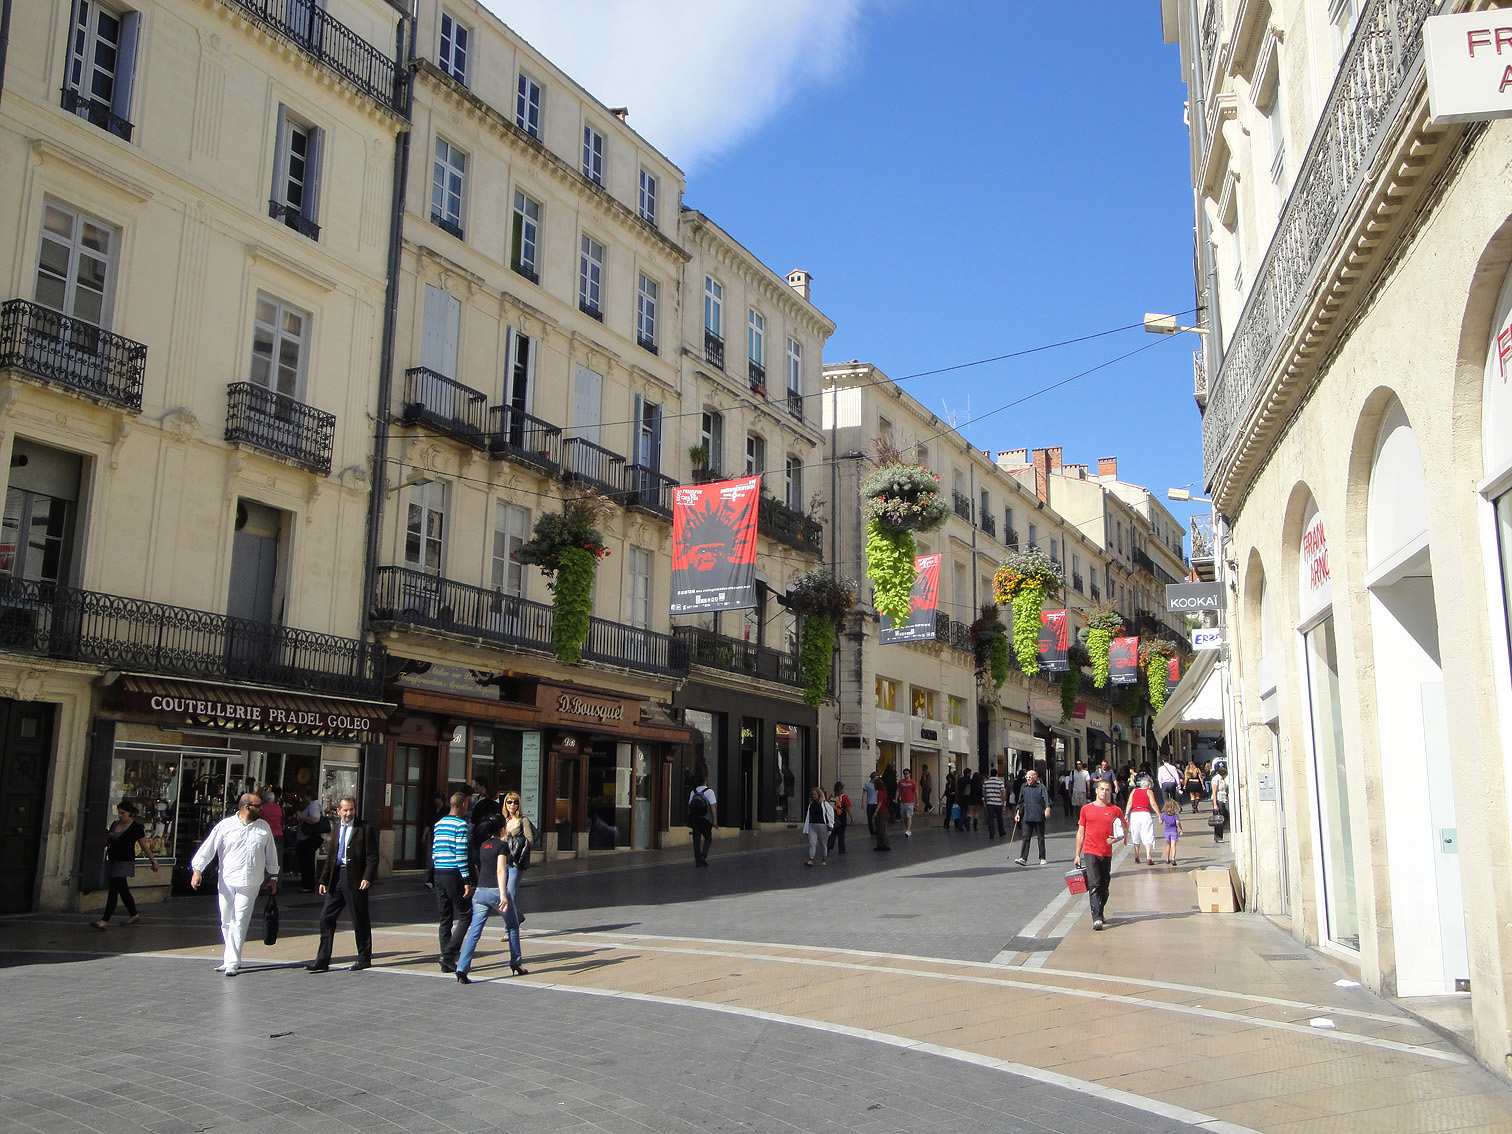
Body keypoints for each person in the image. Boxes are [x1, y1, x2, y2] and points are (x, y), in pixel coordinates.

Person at [190, 793, 279, 975]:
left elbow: (271, 853)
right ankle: (228, 957)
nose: (261, 809)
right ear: (247, 807)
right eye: (258, 805)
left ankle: (233, 961)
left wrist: (274, 877)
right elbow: (208, 848)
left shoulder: (264, 827)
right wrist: (197, 870)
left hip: (251, 881)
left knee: (240, 920)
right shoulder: (226, 826)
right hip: (227, 880)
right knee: (226, 920)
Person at [306, 796, 380, 972]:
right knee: (326, 917)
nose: (349, 813)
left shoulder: (364, 828)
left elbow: (372, 856)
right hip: (338, 876)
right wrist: (324, 879)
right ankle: (323, 959)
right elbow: (332, 856)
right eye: (345, 810)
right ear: (338, 811)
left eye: (351, 809)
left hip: (355, 876)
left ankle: (364, 957)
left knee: (359, 918)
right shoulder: (337, 827)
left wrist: (367, 877)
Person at [455, 816, 526, 982]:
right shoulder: (502, 846)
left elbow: (484, 867)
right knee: (513, 926)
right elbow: (500, 871)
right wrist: (503, 894)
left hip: (480, 892)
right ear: (502, 828)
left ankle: (462, 968)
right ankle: (516, 963)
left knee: (474, 931)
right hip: (496, 891)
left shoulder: (484, 845)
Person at [92, 801, 160, 929]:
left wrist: (154, 862)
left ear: (130, 813)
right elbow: (105, 844)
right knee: (122, 890)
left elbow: (144, 846)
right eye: (119, 813)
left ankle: (104, 920)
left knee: (114, 889)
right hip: (112, 859)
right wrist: (108, 836)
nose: (120, 815)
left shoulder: (136, 828)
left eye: (123, 813)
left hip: (125, 861)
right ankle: (133, 914)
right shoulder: (114, 825)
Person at [1073, 779, 1127, 931]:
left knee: (1104, 886)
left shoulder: (1115, 810)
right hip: (1090, 851)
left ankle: (1100, 911)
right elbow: (1081, 832)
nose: (1104, 792)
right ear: (1096, 791)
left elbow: (1122, 830)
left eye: (1107, 790)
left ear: (1111, 792)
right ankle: (1096, 918)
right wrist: (1077, 854)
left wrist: (1116, 838)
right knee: (1095, 884)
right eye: (1102, 789)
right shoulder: (1086, 809)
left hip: (1106, 852)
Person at [430, 791, 473, 973]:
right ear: (463, 805)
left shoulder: (439, 824)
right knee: (466, 914)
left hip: (439, 871)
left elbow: (434, 851)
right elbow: (461, 854)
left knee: (444, 917)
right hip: (453, 872)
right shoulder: (461, 825)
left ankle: (445, 958)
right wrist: (466, 879)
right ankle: (449, 954)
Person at [500, 792, 535, 924]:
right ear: (505, 804)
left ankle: (508, 928)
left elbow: (529, 840)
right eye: (509, 802)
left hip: (515, 860)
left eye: (515, 802)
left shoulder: (522, 820)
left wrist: (511, 840)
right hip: (503, 860)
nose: (512, 805)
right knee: (501, 893)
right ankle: (517, 916)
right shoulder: (502, 819)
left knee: (510, 894)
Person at [1013, 769, 1052, 866]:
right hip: (1027, 816)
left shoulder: (1041, 787)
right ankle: (1023, 858)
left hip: (1038, 815)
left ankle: (1042, 857)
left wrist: (1047, 808)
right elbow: (1020, 801)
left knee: (1040, 837)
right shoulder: (1024, 787)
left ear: (1035, 777)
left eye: (1030, 777)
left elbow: (1046, 799)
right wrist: (1017, 813)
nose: (1028, 779)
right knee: (1025, 837)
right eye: (1026, 777)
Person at [294, 792, 326, 892]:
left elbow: (315, 819)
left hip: (309, 837)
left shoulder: (313, 805)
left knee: (307, 860)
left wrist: (302, 816)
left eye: (305, 796)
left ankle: (308, 885)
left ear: (308, 796)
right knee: (306, 860)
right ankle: (307, 884)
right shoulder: (312, 805)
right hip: (308, 837)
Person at [1127, 775, 1159, 865]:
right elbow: (1153, 804)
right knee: (1147, 834)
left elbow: (1129, 803)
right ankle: (1148, 857)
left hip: (1134, 814)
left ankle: (1136, 856)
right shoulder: (1149, 792)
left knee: (1135, 834)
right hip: (1145, 814)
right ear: (1149, 785)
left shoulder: (1134, 791)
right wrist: (1159, 815)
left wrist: (1126, 814)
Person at [688, 774, 716, 866]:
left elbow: (689, 806)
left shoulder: (693, 792)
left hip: (695, 819)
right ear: (706, 781)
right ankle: (703, 855)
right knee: (708, 838)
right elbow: (712, 806)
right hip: (705, 818)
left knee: (696, 840)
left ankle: (697, 861)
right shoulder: (709, 791)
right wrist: (714, 820)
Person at [801, 787, 833, 866]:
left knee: (823, 843)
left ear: (819, 794)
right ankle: (811, 859)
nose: (814, 796)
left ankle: (824, 859)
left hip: (822, 826)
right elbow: (808, 818)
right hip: (813, 825)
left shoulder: (825, 804)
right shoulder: (811, 805)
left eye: (815, 794)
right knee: (812, 843)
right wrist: (806, 829)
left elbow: (830, 814)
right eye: (812, 794)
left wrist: (830, 824)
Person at [982, 767, 1007, 839]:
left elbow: (984, 792)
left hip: (990, 803)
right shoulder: (1000, 782)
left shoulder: (986, 782)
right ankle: (1001, 832)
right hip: (998, 803)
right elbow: (1002, 793)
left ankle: (991, 833)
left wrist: (987, 798)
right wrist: (1003, 802)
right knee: (999, 818)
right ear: (996, 774)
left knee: (990, 818)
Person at [827, 781, 850, 856]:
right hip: (841, 817)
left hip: (832, 816)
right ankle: (841, 849)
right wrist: (851, 818)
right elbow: (848, 808)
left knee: (833, 832)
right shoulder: (844, 797)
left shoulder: (832, 796)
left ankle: (828, 846)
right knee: (841, 834)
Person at [1161, 797, 1184, 866]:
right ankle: (1173, 859)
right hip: (1173, 831)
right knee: (1173, 845)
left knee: (1168, 845)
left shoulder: (1164, 814)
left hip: (1166, 832)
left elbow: (1160, 822)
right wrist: (1181, 829)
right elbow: (1178, 822)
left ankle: (1167, 859)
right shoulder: (1175, 815)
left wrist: (1160, 817)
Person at [1210, 763, 1230, 842]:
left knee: (1223, 816)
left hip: (1223, 799)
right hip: (1218, 800)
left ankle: (1219, 835)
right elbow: (1214, 792)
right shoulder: (1216, 779)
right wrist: (1215, 804)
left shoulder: (1222, 779)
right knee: (1219, 818)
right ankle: (1218, 837)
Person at [897, 767, 918, 837]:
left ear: (909, 774)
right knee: (904, 817)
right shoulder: (900, 782)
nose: (905, 775)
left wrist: (916, 802)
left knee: (909, 816)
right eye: (904, 774)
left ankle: (908, 830)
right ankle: (907, 829)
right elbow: (898, 790)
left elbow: (916, 792)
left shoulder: (913, 783)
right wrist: (896, 798)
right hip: (903, 802)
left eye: (907, 773)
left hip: (910, 802)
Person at [872, 778, 891, 851]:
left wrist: (876, 811)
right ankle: (880, 844)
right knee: (879, 829)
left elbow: (880, 802)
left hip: (883, 812)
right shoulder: (883, 791)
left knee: (882, 829)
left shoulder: (880, 792)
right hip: (883, 812)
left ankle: (885, 845)